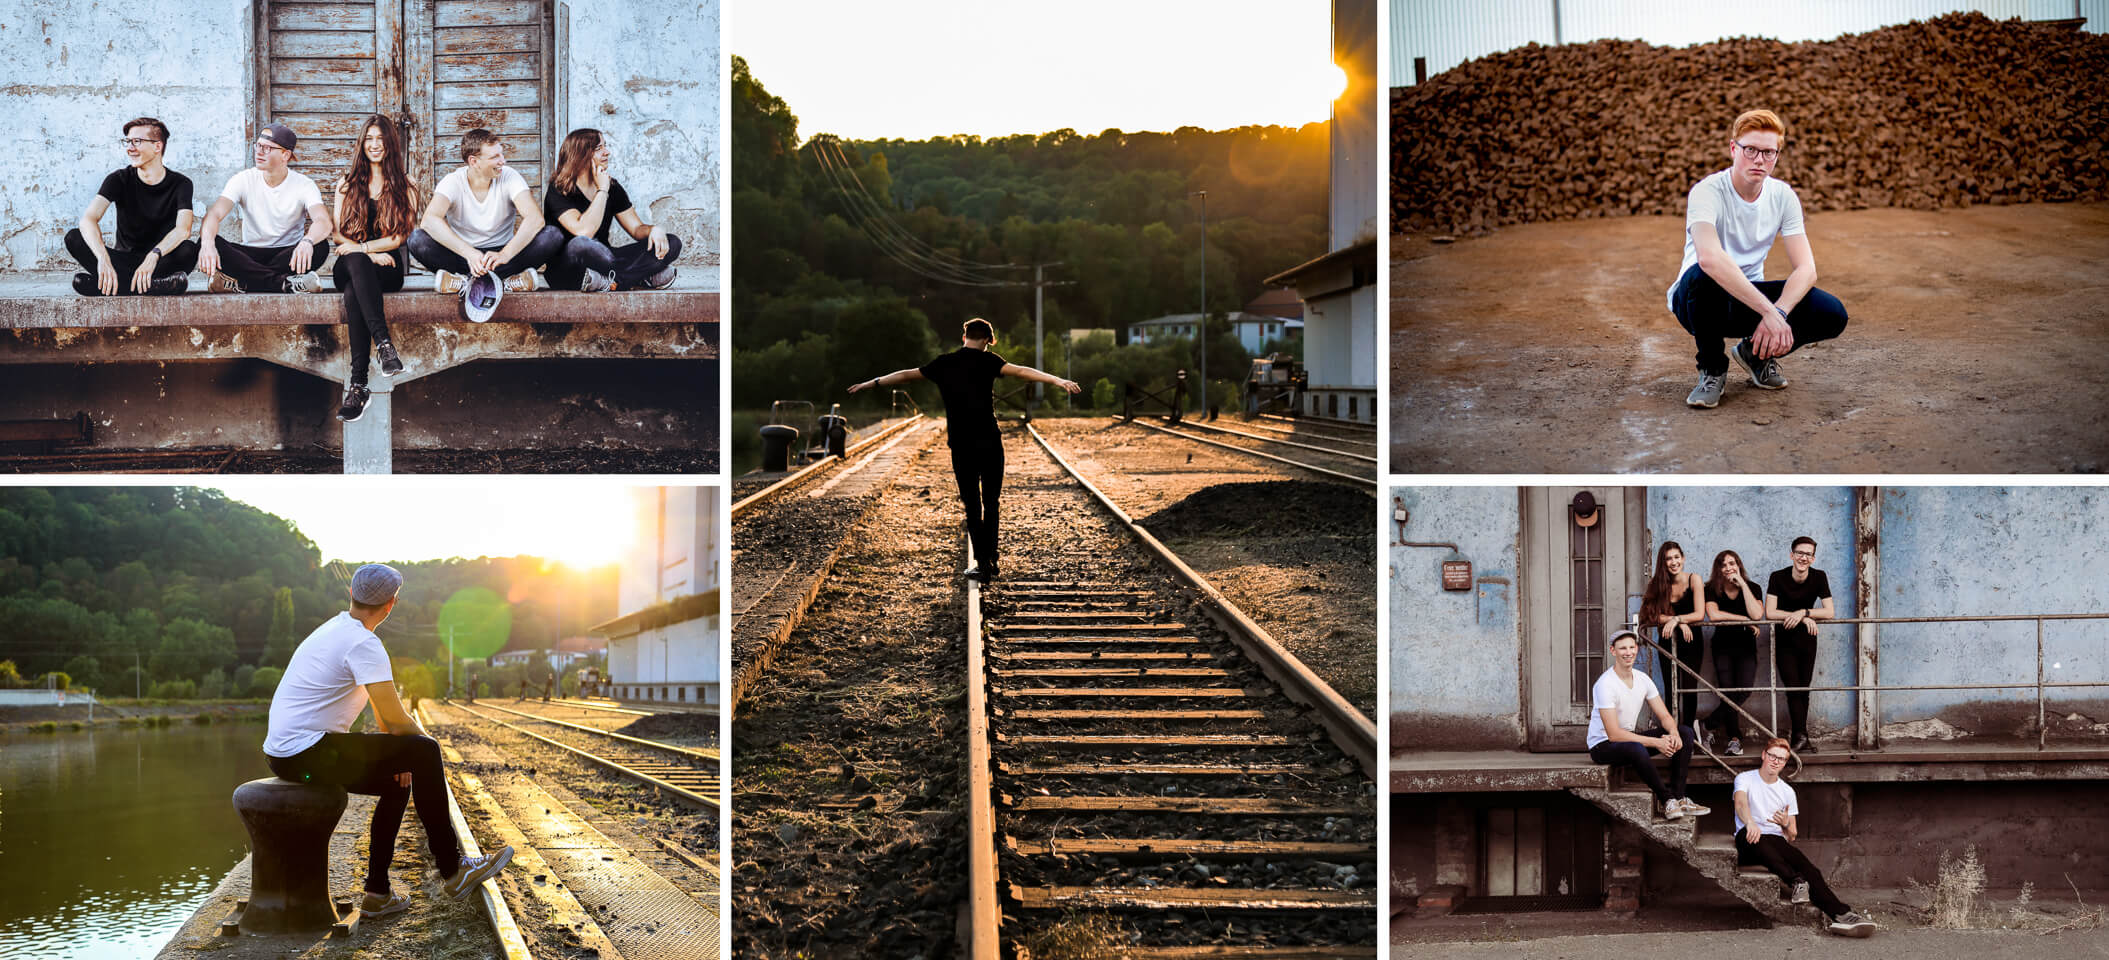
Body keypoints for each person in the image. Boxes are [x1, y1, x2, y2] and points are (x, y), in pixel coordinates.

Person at [261, 564, 512, 917]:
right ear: (391, 604)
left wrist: (402, 760)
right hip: (307, 751)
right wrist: (421, 752)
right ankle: (454, 870)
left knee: (397, 783)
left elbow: (384, 719)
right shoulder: (364, 643)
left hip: (285, 753)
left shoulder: (334, 629)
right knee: (427, 751)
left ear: (351, 595)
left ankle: (377, 893)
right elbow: (396, 720)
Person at [847, 318, 1081, 582]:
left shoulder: (943, 364)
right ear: (989, 340)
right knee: (992, 503)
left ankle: (982, 564)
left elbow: (905, 375)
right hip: (991, 442)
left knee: (972, 505)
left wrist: (871, 382)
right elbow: (1023, 371)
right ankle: (991, 558)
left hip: (961, 445)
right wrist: (1058, 380)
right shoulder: (990, 361)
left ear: (964, 337)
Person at [1668, 109, 1850, 409]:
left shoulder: (1783, 196)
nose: (1759, 159)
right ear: (1733, 149)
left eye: (1768, 152)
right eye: (1750, 149)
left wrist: (1778, 312)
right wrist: (1769, 311)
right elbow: (1710, 258)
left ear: (1777, 155)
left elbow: (1806, 269)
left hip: (1745, 300)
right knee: (1706, 275)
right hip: (1696, 303)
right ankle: (1712, 369)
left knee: (1831, 312)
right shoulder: (1707, 191)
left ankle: (1755, 353)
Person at [1734, 738, 1877, 936]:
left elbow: (1792, 834)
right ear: (1764, 755)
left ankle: (1843, 915)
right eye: (1773, 756)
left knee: (1810, 869)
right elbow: (1740, 803)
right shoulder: (1745, 778)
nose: (1776, 762)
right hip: (1747, 839)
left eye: (1782, 759)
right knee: (1761, 842)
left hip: (1775, 840)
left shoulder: (1787, 792)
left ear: (1785, 763)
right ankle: (1795, 882)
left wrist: (1784, 823)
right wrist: (1750, 822)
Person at [331, 116, 421, 424]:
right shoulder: (346, 184)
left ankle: (359, 386)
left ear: (391, 145)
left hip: (388, 268)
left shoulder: (406, 185)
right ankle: (384, 345)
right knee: (354, 266)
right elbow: (338, 235)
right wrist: (366, 253)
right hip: (349, 262)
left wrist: (367, 250)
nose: (375, 144)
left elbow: (400, 237)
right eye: (369, 138)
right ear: (362, 143)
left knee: (353, 292)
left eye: (381, 139)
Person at [406, 128, 564, 297]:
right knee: (417, 239)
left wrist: (505, 254)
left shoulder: (509, 176)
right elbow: (429, 220)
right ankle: (502, 282)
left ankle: (466, 283)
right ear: (474, 161)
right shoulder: (453, 181)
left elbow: (535, 219)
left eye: (501, 154)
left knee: (552, 235)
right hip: (464, 256)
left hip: (502, 257)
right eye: (495, 157)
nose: (502, 161)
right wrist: (469, 253)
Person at [66, 117, 197, 296]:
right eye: (127, 142)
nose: (129, 148)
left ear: (157, 146)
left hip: (159, 261)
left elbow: (183, 230)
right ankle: (155, 286)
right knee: (74, 238)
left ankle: (116, 287)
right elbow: (88, 219)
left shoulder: (181, 183)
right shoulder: (118, 179)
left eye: (137, 142)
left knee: (188, 249)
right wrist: (102, 258)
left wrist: (154, 255)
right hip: (123, 261)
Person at [1586, 631, 1711, 821]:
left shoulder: (1642, 678)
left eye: (1631, 647)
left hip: (1627, 741)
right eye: (1622, 648)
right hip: (1603, 746)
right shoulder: (1605, 684)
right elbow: (1613, 735)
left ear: (1636, 649)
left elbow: (1664, 715)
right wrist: (1656, 742)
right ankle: (1666, 800)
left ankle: (1679, 797)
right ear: (1613, 651)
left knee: (1686, 732)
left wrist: (1674, 733)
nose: (1628, 652)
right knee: (1636, 747)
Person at [197, 123, 332, 294]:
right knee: (207, 240)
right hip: (249, 256)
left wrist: (307, 241)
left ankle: (244, 282)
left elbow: (323, 221)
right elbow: (214, 214)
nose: (259, 152)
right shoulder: (243, 179)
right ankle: (283, 284)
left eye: (267, 148)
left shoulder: (304, 185)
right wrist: (207, 243)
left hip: (288, 255)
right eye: (258, 145)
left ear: (285, 155)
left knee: (320, 246)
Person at [541, 128, 681, 291]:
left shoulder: (613, 187)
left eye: (605, 146)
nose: (607, 152)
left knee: (672, 242)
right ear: (580, 155)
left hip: (604, 262)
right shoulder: (559, 189)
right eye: (598, 149)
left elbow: (636, 229)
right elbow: (584, 231)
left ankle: (613, 282)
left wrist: (654, 230)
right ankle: (640, 277)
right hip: (568, 269)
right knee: (582, 244)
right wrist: (602, 191)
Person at [1766, 536, 1834, 753]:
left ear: (1813, 559)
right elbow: (1770, 612)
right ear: (1792, 555)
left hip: (1807, 639)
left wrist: (1804, 612)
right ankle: (1800, 736)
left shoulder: (1819, 577)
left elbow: (1829, 611)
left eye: (1808, 554)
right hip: (1784, 638)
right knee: (1793, 687)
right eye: (1800, 553)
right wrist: (1801, 617)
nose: (1803, 557)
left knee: (1803, 689)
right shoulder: (1778, 577)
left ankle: (1801, 736)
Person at [1702, 549, 1766, 756]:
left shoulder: (1753, 587)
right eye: (1724, 565)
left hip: (1746, 647)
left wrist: (1743, 585)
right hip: (1722, 647)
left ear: (1739, 566)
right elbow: (1713, 614)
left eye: (1733, 563)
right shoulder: (1711, 589)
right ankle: (1734, 739)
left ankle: (1705, 725)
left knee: (1744, 691)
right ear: (1718, 569)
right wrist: (1744, 620)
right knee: (1728, 694)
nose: (1729, 568)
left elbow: (1757, 614)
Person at [1638, 541, 1706, 731]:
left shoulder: (1694, 579)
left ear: (1683, 558)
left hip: (1691, 641)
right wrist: (1680, 621)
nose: (1673, 562)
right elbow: (1650, 615)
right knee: (1670, 688)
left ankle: (1688, 732)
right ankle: (1672, 732)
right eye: (1669, 558)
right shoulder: (1657, 584)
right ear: (1663, 562)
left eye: (1677, 557)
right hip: (1667, 642)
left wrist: (1676, 620)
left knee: (1690, 688)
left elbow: (1699, 614)